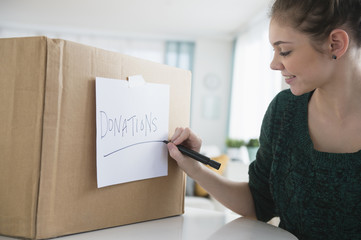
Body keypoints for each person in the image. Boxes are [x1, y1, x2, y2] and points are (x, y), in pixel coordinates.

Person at [165, 0, 361, 239]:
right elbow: (258, 203)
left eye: (285, 51)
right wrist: (194, 168)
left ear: (335, 44)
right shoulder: (283, 111)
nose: (273, 64)